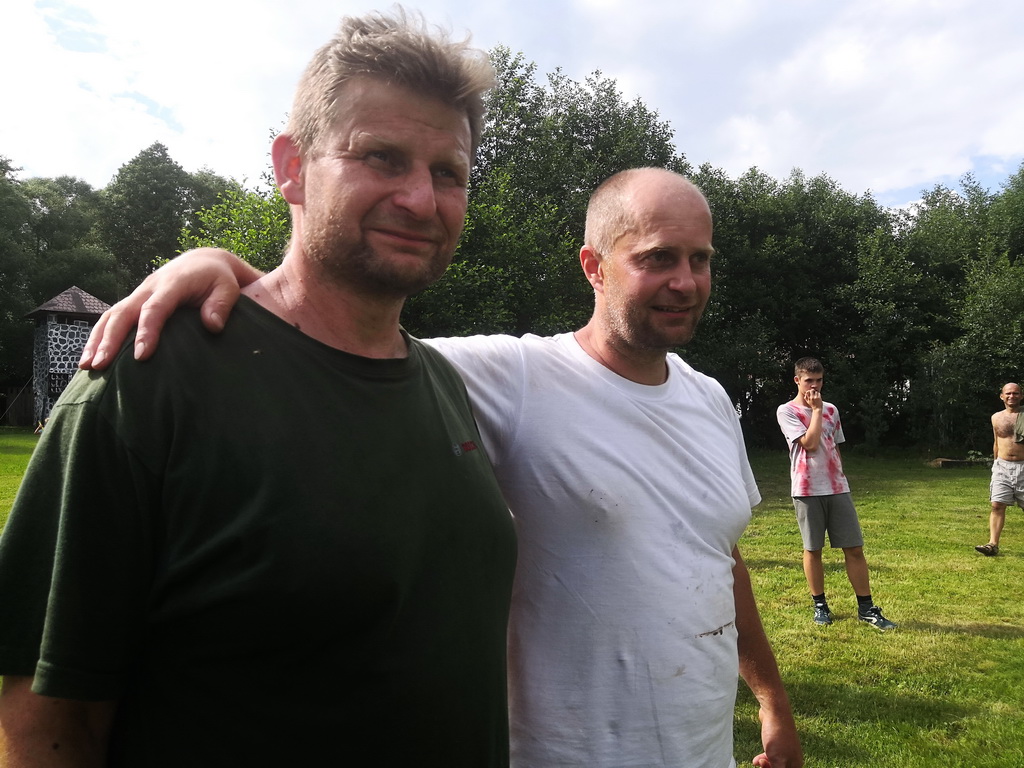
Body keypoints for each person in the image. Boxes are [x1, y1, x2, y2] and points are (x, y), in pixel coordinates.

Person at [78, 167, 803, 767]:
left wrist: (771, 700)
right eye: (657, 258)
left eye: (700, 259)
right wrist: (219, 264)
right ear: (595, 266)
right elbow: (333, 340)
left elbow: (717, 558)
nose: (686, 281)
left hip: (703, 750)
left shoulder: (710, 400)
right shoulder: (518, 378)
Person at [0, 11, 518, 767]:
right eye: (381, 157)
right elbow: (47, 725)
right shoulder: (150, 378)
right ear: (292, 166)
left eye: (449, 173)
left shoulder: (441, 382)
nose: (420, 198)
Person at [776, 357, 896, 631]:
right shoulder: (787, 411)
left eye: (819, 380)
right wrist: (816, 411)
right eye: (809, 381)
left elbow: (834, 447)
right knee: (813, 548)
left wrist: (840, 476)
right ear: (797, 380)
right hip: (806, 489)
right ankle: (820, 605)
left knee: (854, 548)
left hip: (837, 487)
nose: (814, 386)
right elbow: (810, 443)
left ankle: (866, 608)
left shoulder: (832, 409)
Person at [975, 382, 1024, 556]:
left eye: (1016, 393)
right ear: (1002, 396)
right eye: (1008, 393)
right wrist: (995, 464)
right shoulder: (996, 417)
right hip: (1002, 466)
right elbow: (996, 442)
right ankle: (992, 545)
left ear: (1021, 396)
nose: (1012, 396)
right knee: (997, 505)